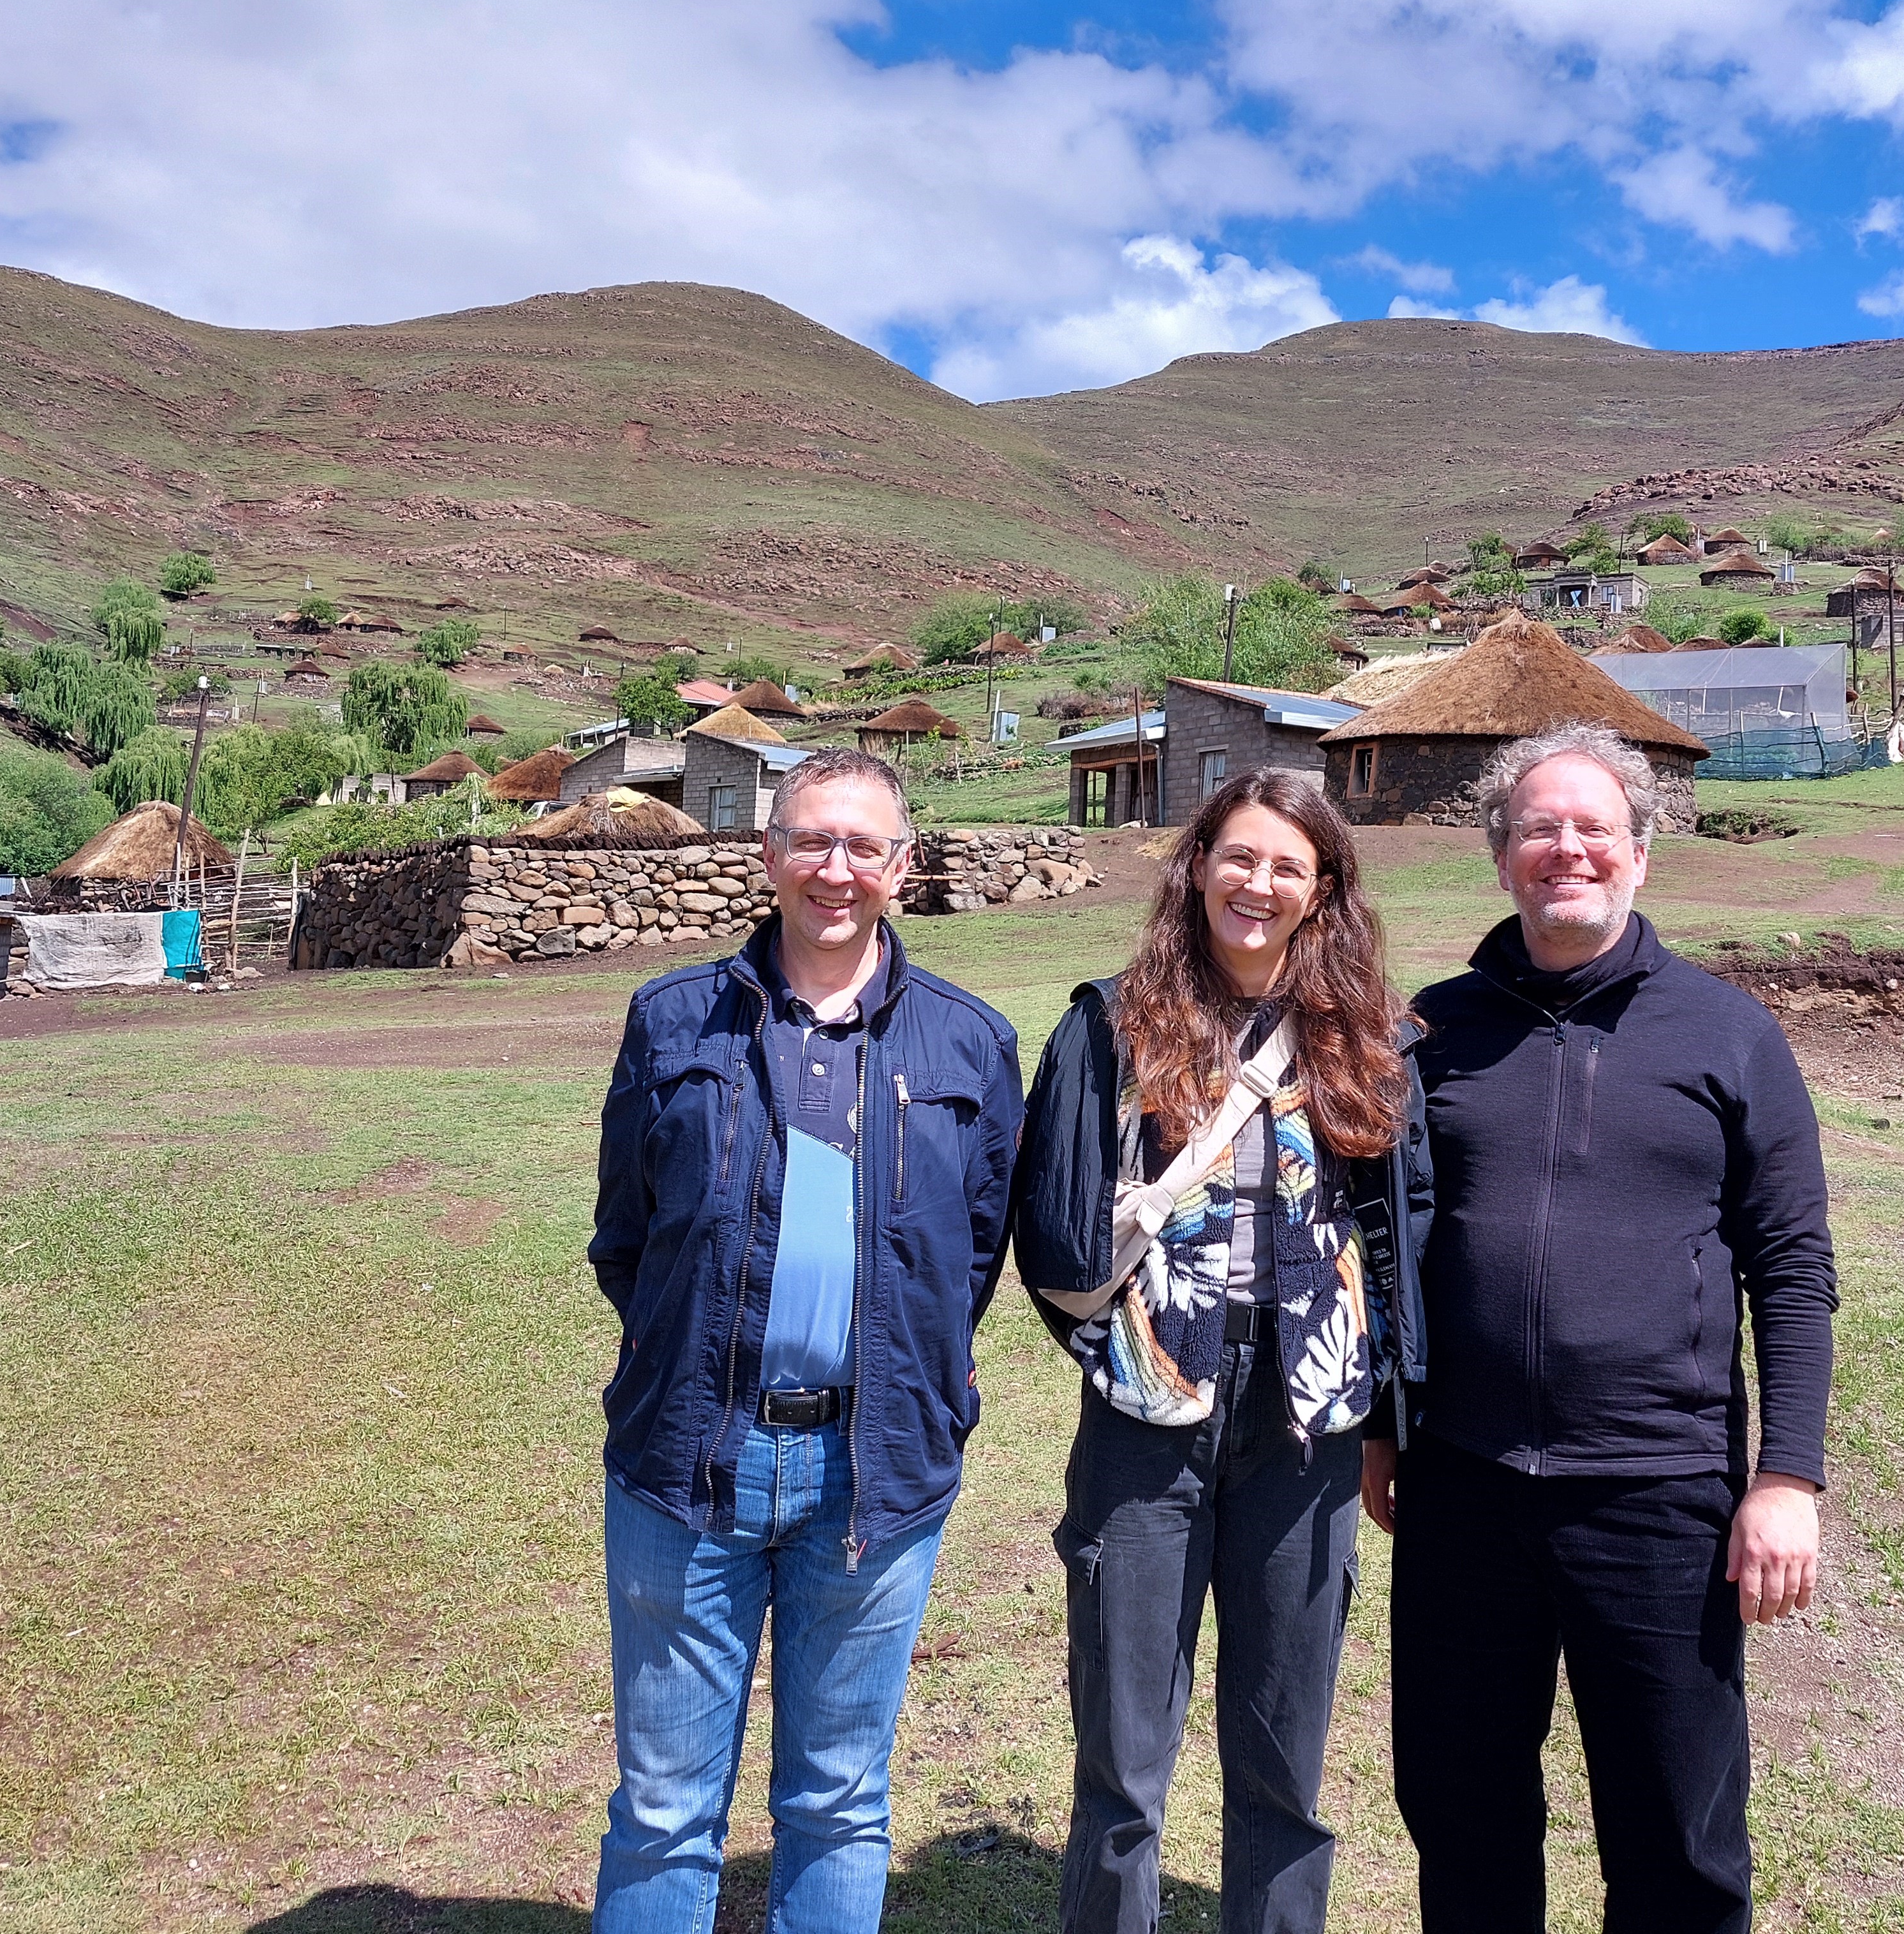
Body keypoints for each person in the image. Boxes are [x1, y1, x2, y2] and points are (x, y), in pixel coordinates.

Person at [1373, 723, 1837, 1934]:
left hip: (1657, 1492)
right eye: (1539, 828)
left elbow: (1793, 1267)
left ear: (1642, 852)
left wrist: (1787, 1476)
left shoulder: (1729, 1034)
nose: (1566, 849)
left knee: (1675, 1830)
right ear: (1502, 856)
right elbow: (1388, 1248)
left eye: (1593, 828)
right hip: (1461, 1489)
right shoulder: (1435, 1032)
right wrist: (1383, 1429)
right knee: (1462, 1812)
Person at [589, 748, 1024, 1933]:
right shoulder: (674, 1019)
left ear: (904, 864)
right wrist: (687, 1361)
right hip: (690, 1463)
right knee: (668, 1806)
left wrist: (904, 1377)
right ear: (769, 853)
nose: (838, 870)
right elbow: (625, 1237)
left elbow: (968, 1256)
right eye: (813, 842)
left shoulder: (970, 1043)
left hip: (874, 1473)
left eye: (864, 847)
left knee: (838, 1800)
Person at [1015, 769, 1433, 1934]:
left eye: (1288, 867)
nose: (1259, 884)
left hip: (1308, 1431)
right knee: (1122, 1765)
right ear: (1197, 864)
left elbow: (1399, 1235)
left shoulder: (1371, 1040)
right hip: (1146, 1426)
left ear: (1324, 890)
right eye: (1239, 857)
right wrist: (1125, 1354)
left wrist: (1383, 1403)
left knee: (1282, 1764)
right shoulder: (1108, 1026)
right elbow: (1051, 1235)